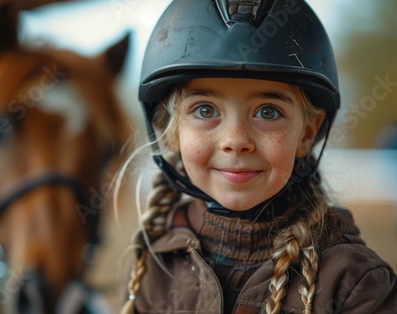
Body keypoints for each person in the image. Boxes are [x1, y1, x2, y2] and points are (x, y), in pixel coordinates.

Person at [119, 0, 397, 313]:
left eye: (268, 112)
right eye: (205, 110)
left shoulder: (354, 283)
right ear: (170, 131)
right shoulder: (154, 266)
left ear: (307, 133)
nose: (236, 141)